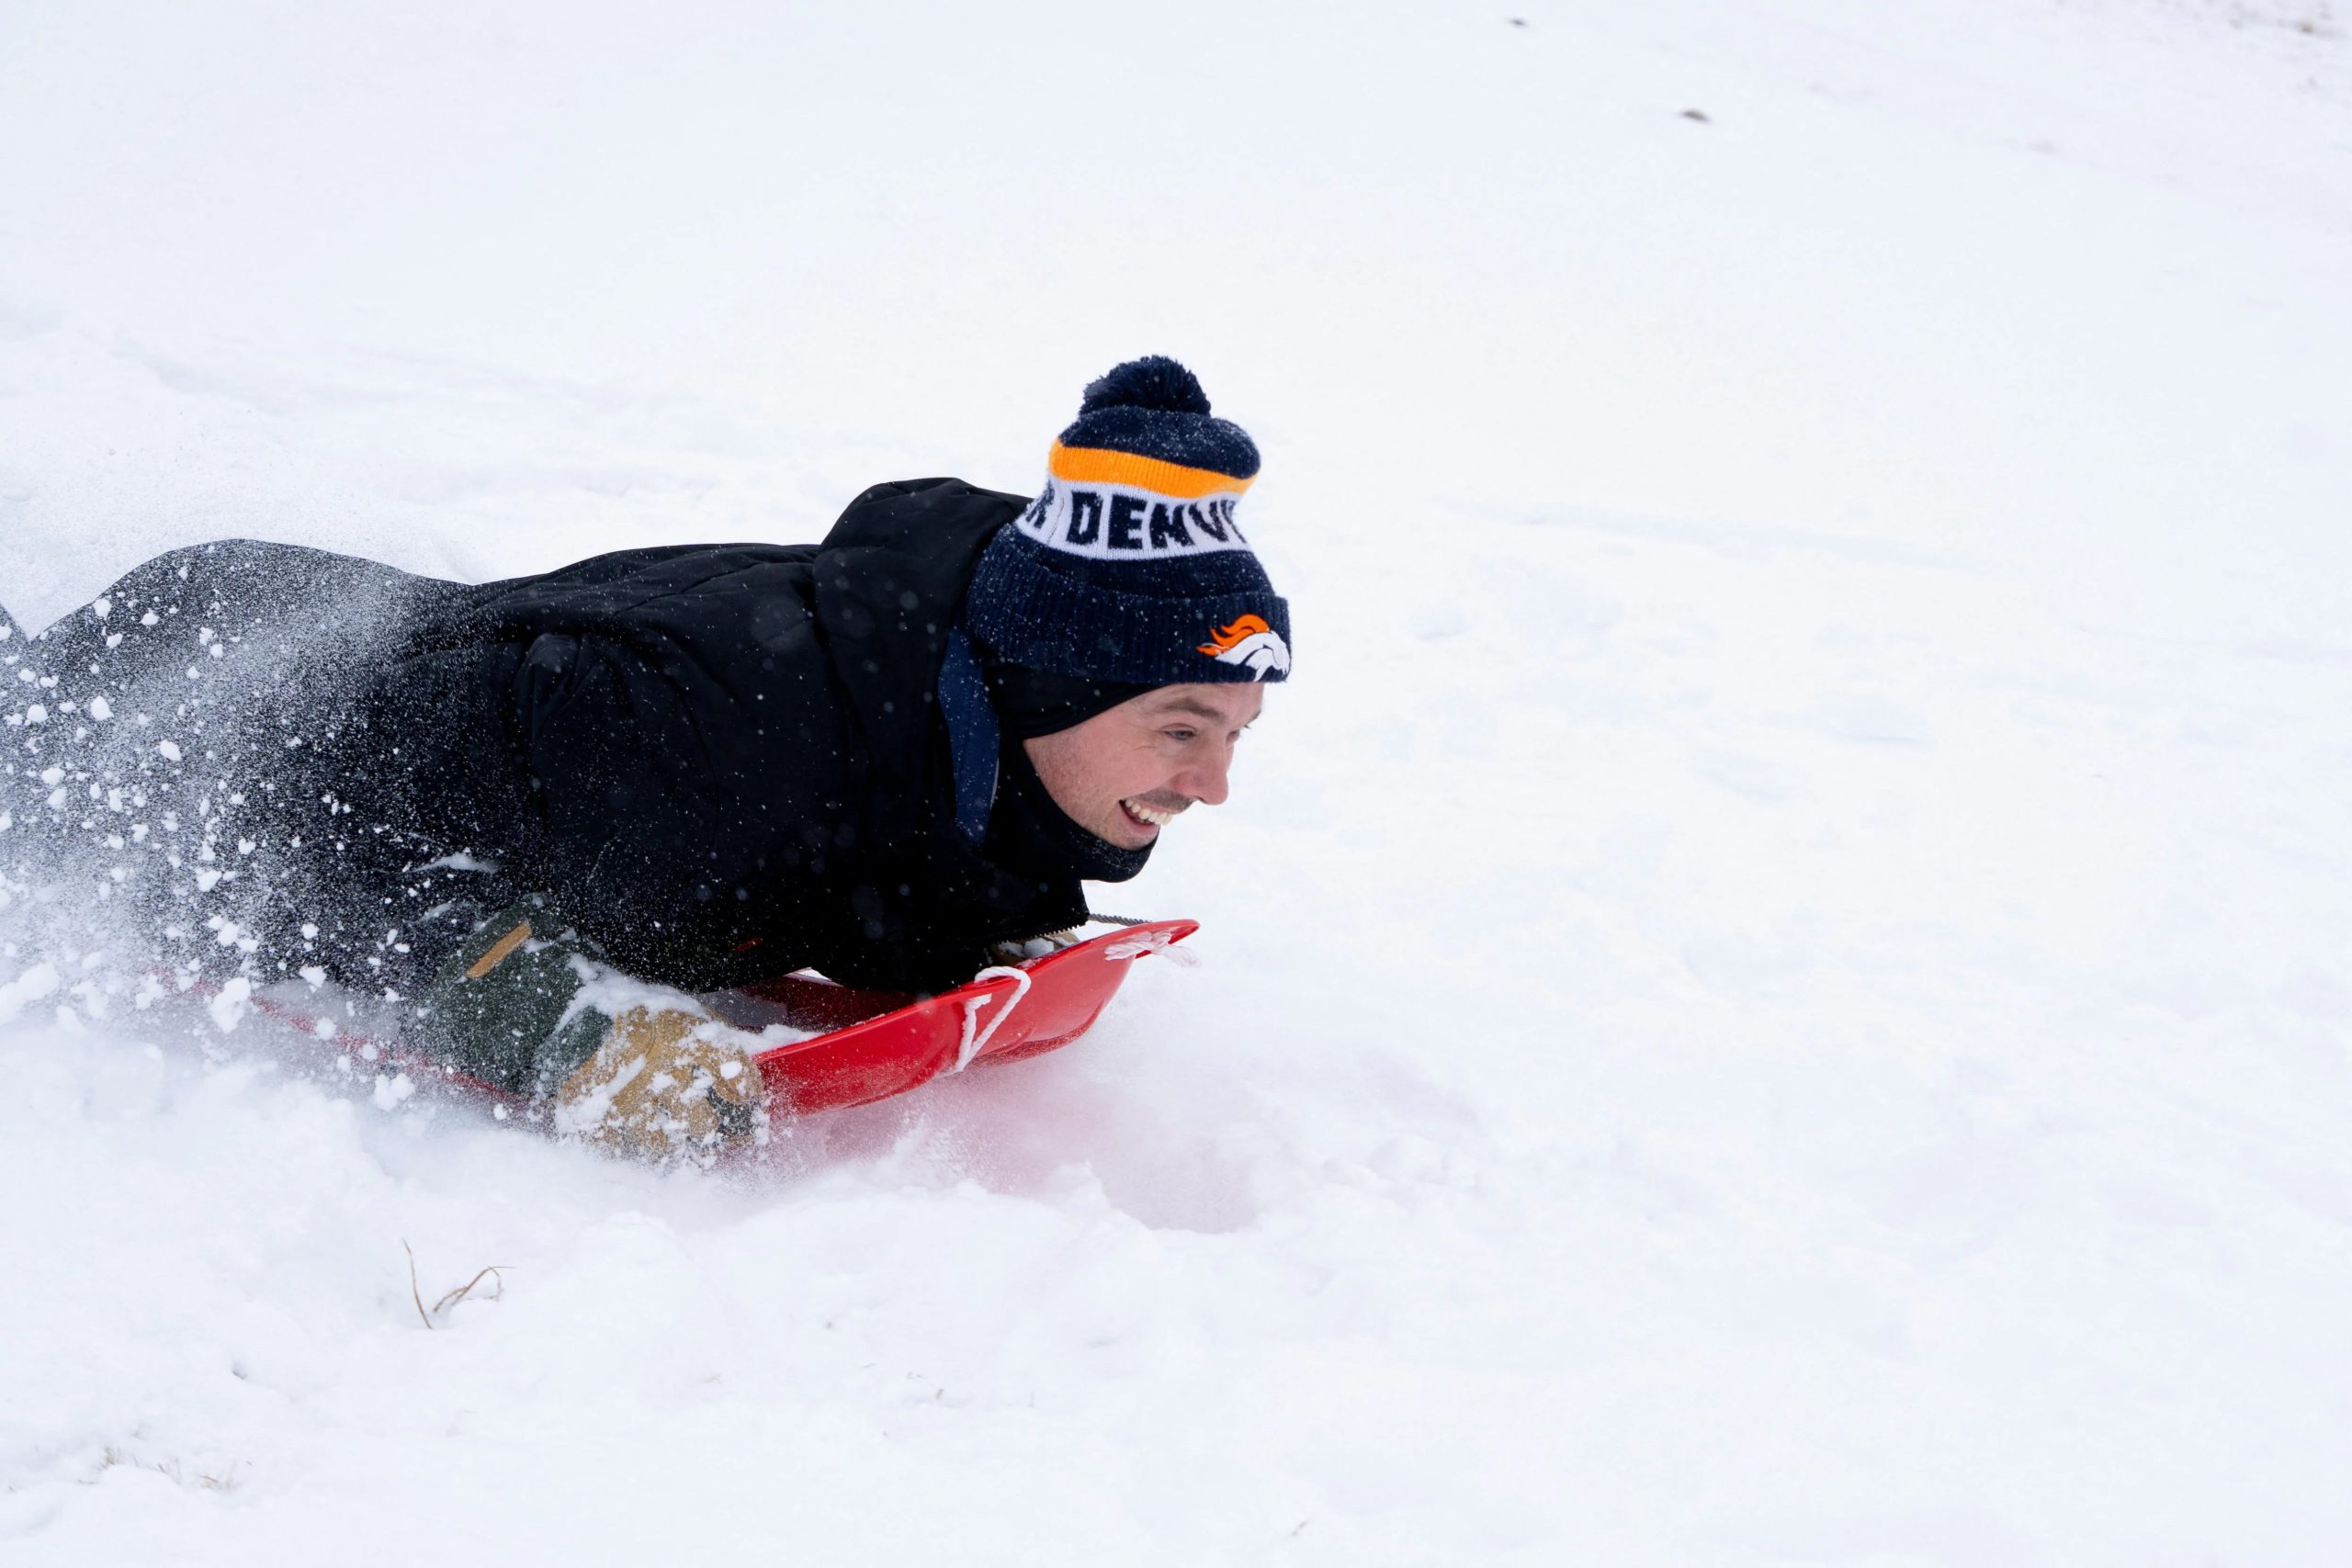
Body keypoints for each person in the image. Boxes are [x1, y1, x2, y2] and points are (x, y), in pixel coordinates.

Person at [0, 356, 1290, 1156]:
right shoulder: (716, 735)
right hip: (190, 714)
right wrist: (560, 1023)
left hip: (317, 652)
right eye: (1182, 729)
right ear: (1049, 687)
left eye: (1233, 735)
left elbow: (882, 845)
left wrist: (971, 930)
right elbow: (322, 836)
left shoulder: (961, 716)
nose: (1212, 785)